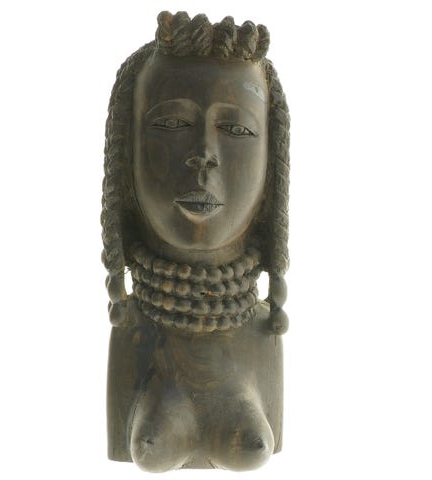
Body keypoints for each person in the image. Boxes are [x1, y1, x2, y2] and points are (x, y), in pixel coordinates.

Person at [101, 11, 290, 472]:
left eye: (237, 130)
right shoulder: (133, 331)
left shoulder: (263, 333)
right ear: (126, 155)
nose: (203, 153)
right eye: (171, 124)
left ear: (272, 167)